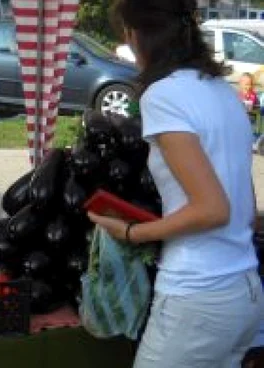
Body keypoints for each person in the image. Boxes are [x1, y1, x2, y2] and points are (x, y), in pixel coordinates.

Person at [88, 0, 264, 367]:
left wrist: (133, 232)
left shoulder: (163, 95)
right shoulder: (222, 91)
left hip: (197, 297)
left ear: (138, 36)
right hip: (244, 292)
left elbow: (213, 209)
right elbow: (245, 212)